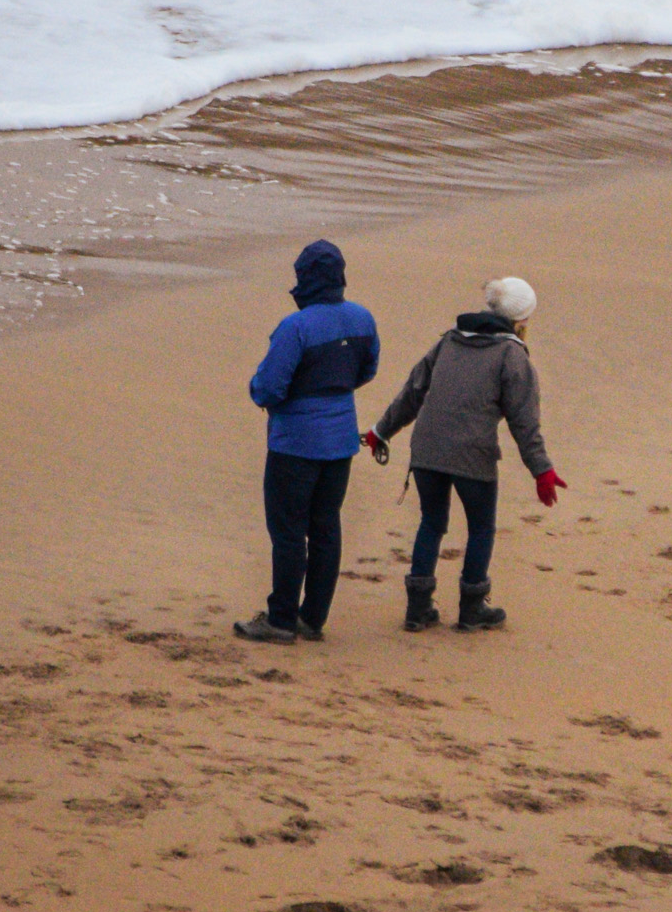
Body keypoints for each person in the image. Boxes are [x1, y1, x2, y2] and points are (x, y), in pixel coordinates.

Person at [364, 274, 567, 632]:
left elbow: (413, 391)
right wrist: (542, 470)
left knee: (431, 522)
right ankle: (472, 609)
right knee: (481, 528)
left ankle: (418, 609)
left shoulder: (449, 340)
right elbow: (524, 422)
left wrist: (381, 431)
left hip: (427, 447)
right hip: (472, 452)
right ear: (522, 320)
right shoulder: (512, 354)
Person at [237, 240, 380, 644]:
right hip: (340, 441)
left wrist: (261, 392)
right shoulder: (363, 318)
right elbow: (367, 370)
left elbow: (269, 387)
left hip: (295, 444)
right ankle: (312, 618)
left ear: (305, 278)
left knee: (288, 531)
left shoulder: (295, 326)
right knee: (325, 528)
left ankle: (281, 620)